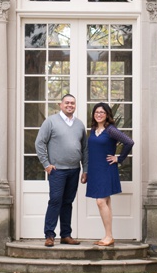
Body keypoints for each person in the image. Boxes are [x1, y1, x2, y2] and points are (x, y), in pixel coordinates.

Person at [35, 94, 88, 247]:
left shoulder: (79, 125)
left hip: (74, 170)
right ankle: (49, 235)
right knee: (55, 201)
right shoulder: (50, 122)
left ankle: (66, 235)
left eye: (72, 103)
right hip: (57, 171)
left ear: (75, 105)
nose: (70, 105)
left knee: (68, 202)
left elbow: (85, 149)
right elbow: (39, 143)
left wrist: (85, 169)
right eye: (67, 103)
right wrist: (46, 164)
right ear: (60, 104)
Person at [85, 102, 134, 247]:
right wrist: (86, 171)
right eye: (96, 112)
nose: (99, 114)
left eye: (102, 112)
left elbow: (129, 142)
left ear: (107, 115)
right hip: (95, 170)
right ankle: (108, 235)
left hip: (106, 169)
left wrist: (119, 158)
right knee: (105, 202)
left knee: (100, 201)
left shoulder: (111, 130)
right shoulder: (93, 130)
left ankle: (109, 236)